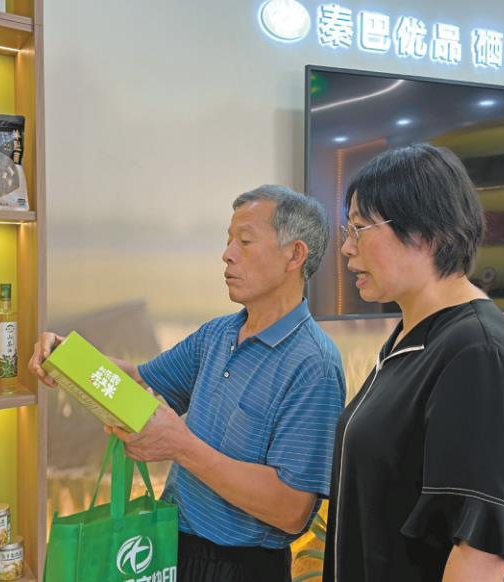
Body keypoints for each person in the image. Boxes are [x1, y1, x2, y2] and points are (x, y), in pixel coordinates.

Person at [31, 185, 346, 582]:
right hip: (173, 549)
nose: (227, 254)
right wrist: (68, 355)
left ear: (295, 255)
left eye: (245, 241)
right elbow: (138, 382)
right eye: (228, 240)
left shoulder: (314, 364)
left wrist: (181, 445)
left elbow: (291, 509)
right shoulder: (217, 334)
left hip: (244, 568)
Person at [323, 144, 504, 582]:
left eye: (360, 228)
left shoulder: (478, 355)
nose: (347, 248)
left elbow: (480, 558)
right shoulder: (411, 338)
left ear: (426, 232)